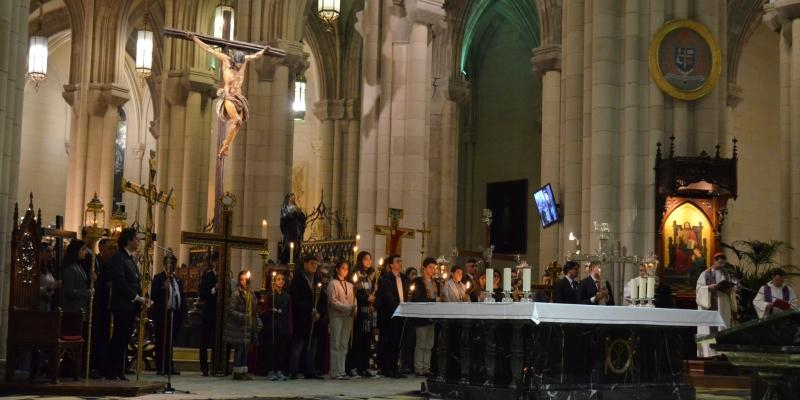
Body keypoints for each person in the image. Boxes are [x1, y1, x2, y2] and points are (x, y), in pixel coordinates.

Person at [189, 33, 269, 157]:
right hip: (228, 97)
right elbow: (208, 49)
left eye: (241, 64)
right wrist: (194, 38)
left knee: (238, 124)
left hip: (239, 98)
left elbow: (255, 55)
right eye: (238, 65)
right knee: (236, 120)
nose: (240, 67)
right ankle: (225, 146)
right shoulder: (225, 61)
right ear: (233, 61)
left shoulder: (244, 61)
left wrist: (264, 51)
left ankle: (226, 145)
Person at [107, 228, 146, 380]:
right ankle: (111, 370)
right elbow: (120, 282)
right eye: (137, 239)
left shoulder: (129, 258)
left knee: (124, 339)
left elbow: (135, 280)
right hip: (122, 305)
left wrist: (142, 298)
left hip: (130, 306)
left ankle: (119, 370)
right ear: (129, 240)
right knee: (119, 338)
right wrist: (136, 297)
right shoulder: (119, 257)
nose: (139, 242)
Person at [150, 250, 187, 376]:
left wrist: (184, 314)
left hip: (174, 314)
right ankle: (160, 367)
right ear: (164, 265)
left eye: (173, 264)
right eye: (168, 264)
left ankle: (169, 366)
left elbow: (181, 296)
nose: (170, 267)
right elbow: (153, 296)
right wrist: (162, 288)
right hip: (162, 314)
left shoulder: (177, 279)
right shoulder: (158, 278)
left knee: (171, 341)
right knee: (161, 341)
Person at [289, 255, 324, 379]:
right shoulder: (298, 279)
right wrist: (310, 309)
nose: (314, 266)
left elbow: (322, 300)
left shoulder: (318, 280)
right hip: (301, 318)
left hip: (314, 320)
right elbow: (295, 299)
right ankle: (294, 370)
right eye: (311, 263)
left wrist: (319, 312)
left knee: (312, 345)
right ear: (304, 264)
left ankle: (309, 369)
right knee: (298, 345)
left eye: (316, 264)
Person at [224, 270, 262, 380]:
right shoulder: (236, 294)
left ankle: (244, 371)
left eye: (246, 279)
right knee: (240, 349)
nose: (244, 281)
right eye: (241, 279)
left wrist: (254, 299)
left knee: (246, 349)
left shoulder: (250, 293)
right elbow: (230, 310)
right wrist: (243, 316)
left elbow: (254, 307)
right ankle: (237, 372)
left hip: (248, 326)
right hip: (238, 326)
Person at [696, 252, 735, 358]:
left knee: (722, 326)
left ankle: (722, 352)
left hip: (723, 305)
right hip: (709, 304)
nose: (721, 262)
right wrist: (709, 288)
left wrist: (730, 290)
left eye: (723, 260)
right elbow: (698, 290)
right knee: (711, 327)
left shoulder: (727, 275)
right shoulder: (705, 274)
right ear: (714, 260)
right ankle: (710, 353)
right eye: (719, 260)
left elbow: (733, 290)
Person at [376, 255, 408, 378]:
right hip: (389, 316)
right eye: (397, 261)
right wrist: (399, 308)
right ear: (391, 265)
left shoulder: (404, 278)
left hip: (401, 314)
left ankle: (395, 367)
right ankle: (386, 368)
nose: (400, 263)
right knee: (388, 342)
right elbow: (389, 299)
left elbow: (405, 296)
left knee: (397, 342)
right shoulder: (386, 279)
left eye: (401, 261)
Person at [346, 251, 377, 378]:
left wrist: (373, 301)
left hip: (368, 313)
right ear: (360, 260)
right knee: (357, 341)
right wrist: (366, 299)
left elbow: (372, 291)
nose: (369, 261)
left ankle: (364, 366)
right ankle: (353, 367)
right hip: (359, 313)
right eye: (366, 259)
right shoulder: (355, 274)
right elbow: (354, 293)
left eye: (370, 259)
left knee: (366, 341)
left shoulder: (369, 276)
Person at [327, 260, 356, 380]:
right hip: (337, 316)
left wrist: (354, 310)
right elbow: (333, 301)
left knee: (344, 344)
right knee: (336, 343)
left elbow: (354, 300)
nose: (345, 270)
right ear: (337, 269)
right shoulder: (332, 284)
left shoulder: (350, 285)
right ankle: (335, 371)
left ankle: (342, 369)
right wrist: (348, 308)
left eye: (347, 268)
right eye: (342, 268)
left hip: (348, 317)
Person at [90, 238, 115, 379]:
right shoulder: (96, 262)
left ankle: (103, 366)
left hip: (108, 306)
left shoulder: (110, 264)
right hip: (98, 305)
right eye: (109, 248)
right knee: (97, 337)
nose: (111, 251)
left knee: (105, 337)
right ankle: (94, 366)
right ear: (101, 248)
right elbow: (96, 281)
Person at [261, 271, 292, 381]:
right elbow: (264, 311)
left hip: (282, 326)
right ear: (274, 281)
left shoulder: (286, 296)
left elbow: (288, 313)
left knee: (281, 350)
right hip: (272, 326)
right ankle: (271, 370)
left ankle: (279, 369)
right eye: (278, 279)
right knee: (271, 349)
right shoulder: (270, 295)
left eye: (283, 279)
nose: (281, 281)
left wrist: (289, 328)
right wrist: (271, 310)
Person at [411, 257, 438, 376]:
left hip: (432, 316)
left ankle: (426, 367)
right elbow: (416, 299)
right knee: (421, 343)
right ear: (424, 268)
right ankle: (418, 367)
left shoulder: (435, 282)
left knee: (429, 344)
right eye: (431, 267)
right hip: (421, 316)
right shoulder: (418, 281)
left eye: (434, 268)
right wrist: (433, 300)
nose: (433, 270)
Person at [198, 257, 218, 376]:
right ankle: (204, 368)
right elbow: (202, 294)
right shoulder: (208, 276)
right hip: (209, 312)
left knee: (218, 341)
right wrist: (214, 289)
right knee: (204, 341)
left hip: (220, 314)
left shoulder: (226, 276)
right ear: (214, 262)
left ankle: (217, 367)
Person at [60, 239, 91, 316]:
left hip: (80, 309)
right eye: (83, 249)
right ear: (76, 250)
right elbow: (69, 292)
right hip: (73, 310)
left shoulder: (79, 266)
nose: (86, 252)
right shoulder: (70, 268)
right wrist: (87, 292)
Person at [279, 193, 306, 264]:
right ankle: (285, 260)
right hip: (288, 230)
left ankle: (295, 258)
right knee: (288, 245)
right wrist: (292, 213)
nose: (293, 199)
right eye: (292, 197)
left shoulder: (296, 207)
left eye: (294, 197)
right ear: (288, 198)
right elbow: (284, 218)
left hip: (296, 230)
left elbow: (302, 218)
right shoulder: (285, 207)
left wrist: (299, 213)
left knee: (296, 246)